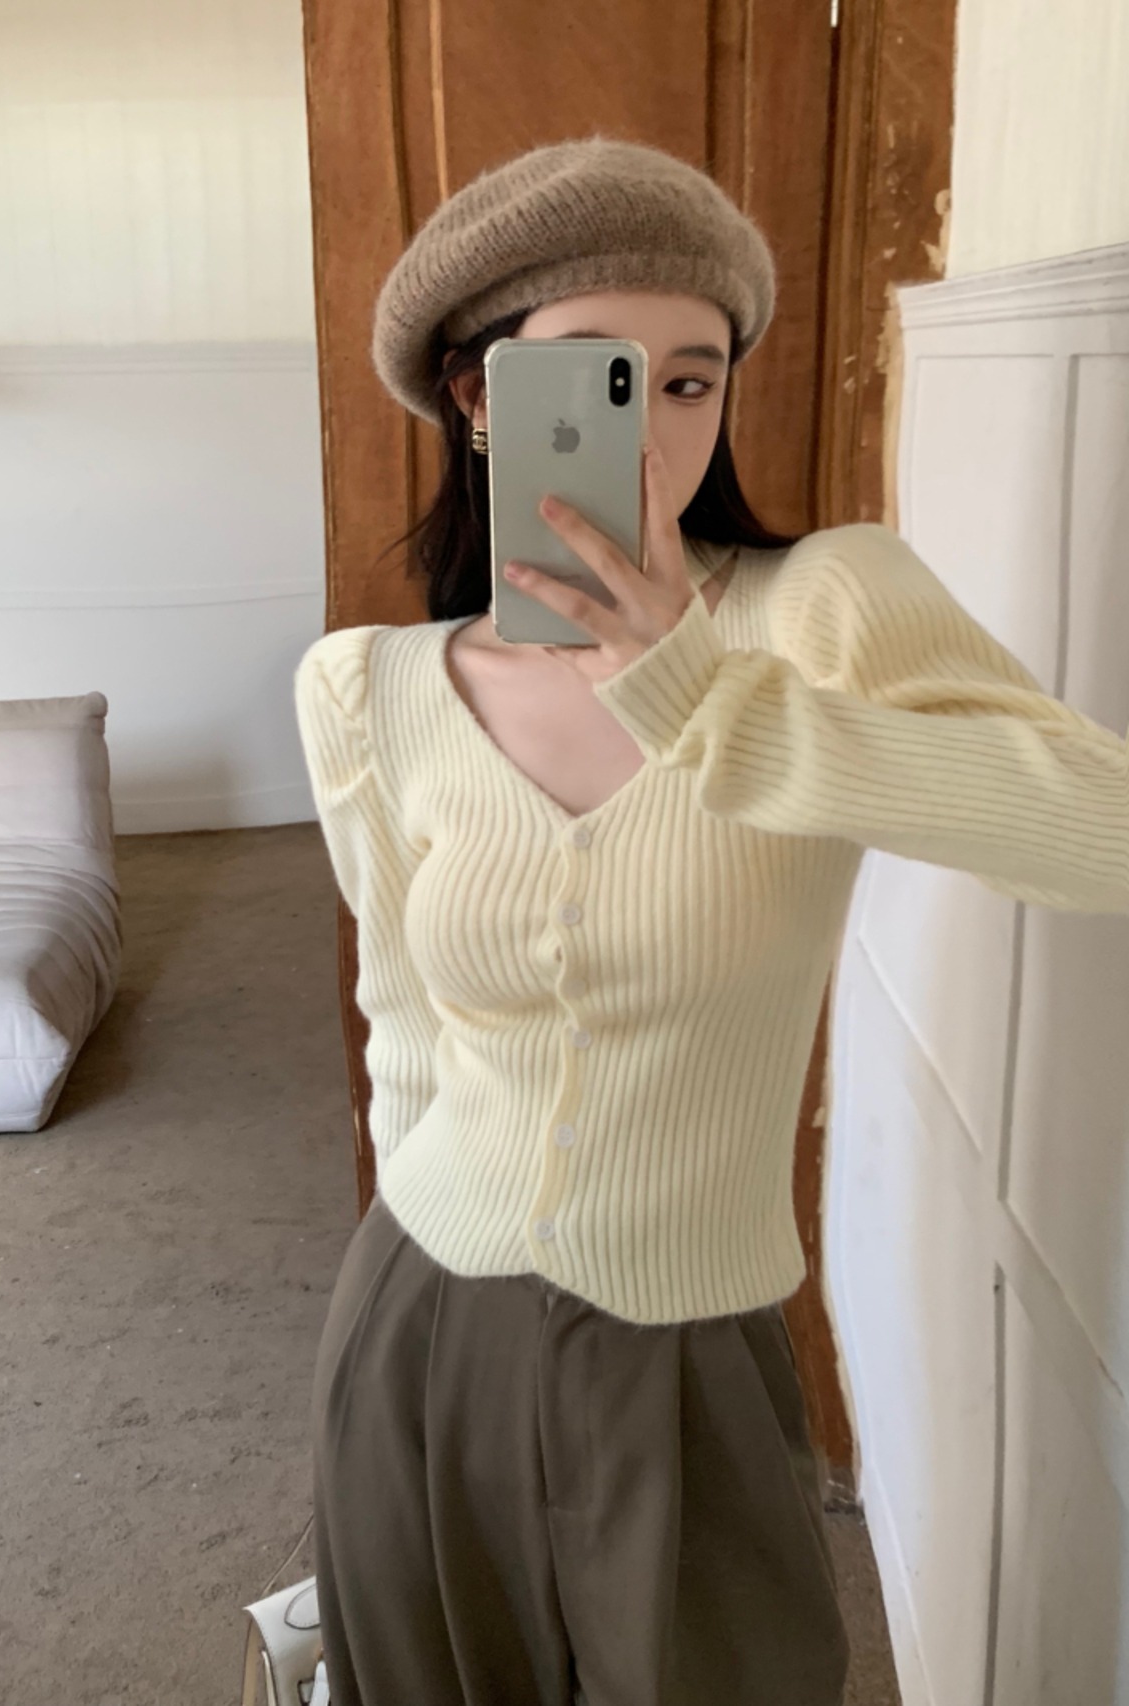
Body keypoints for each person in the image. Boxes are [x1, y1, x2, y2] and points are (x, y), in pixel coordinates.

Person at [292, 136, 1129, 1706]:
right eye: (602, 379)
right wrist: (398, 1326)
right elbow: (400, 1026)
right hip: (424, 1321)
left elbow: (1104, 829)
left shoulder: (825, 607)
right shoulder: (368, 690)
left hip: (689, 1342)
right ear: (482, 398)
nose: (658, 432)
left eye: (690, 379)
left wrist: (698, 693)